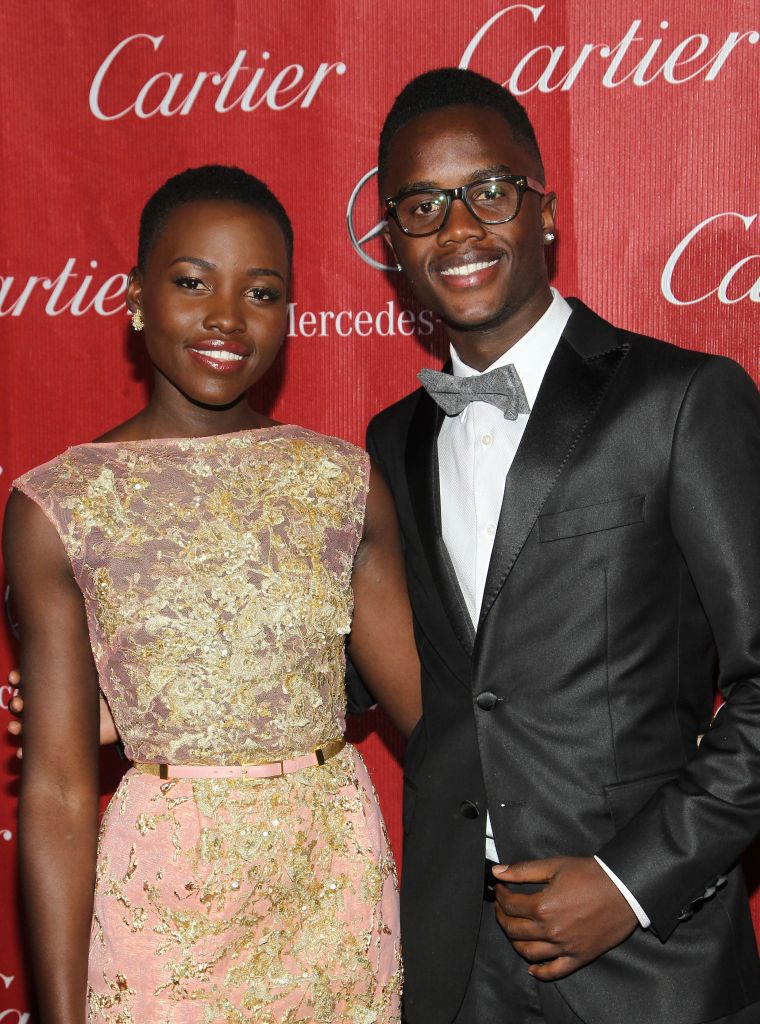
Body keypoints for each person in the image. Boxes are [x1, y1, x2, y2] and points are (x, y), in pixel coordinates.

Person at [365, 68, 760, 1024]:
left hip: (649, 958)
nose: (458, 228)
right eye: (422, 206)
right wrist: (137, 702)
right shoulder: (391, 442)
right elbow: (395, 660)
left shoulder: (679, 401)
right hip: (456, 963)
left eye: (490, 191)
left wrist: (629, 883)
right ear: (394, 245)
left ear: (545, 211)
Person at [2, 165, 420, 1024]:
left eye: (260, 292)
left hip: (333, 892)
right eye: (193, 282)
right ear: (135, 298)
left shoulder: (341, 481)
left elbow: (435, 713)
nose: (227, 317)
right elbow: (59, 789)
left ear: (289, 313)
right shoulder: (58, 506)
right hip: (163, 903)